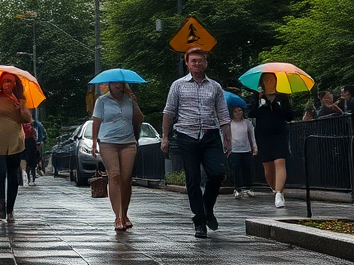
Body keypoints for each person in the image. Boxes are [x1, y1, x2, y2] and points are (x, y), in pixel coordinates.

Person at [161, 47, 231, 239]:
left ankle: (208, 209)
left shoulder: (215, 87)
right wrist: (165, 137)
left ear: (206, 63)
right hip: (186, 135)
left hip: (210, 134)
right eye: (193, 61)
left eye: (200, 60)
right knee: (192, 178)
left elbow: (223, 114)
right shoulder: (178, 85)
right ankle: (199, 221)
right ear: (187, 63)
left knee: (217, 173)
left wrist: (228, 138)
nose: (197, 64)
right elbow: (169, 112)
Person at [92, 80, 144, 231]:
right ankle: (118, 217)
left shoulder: (129, 100)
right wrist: (94, 142)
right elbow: (96, 121)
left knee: (126, 178)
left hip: (128, 142)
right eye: (114, 83)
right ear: (109, 85)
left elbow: (139, 118)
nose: (117, 86)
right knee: (114, 175)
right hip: (108, 142)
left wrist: (134, 102)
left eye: (120, 83)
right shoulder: (102, 101)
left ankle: (125, 214)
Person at [0, 72, 30, 222]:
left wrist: (20, 108)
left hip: (15, 141)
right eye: (4, 81)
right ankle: (1, 203)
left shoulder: (20, 99)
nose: (7, 84)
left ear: (15, 84)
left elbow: (27, 119)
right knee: (0, 172)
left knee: (13, 175)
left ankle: (10, 209)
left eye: (10, 81)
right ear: (0, 83)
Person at [250, 72, 293, 208]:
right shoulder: (257, 97)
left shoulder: (282, 98)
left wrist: (274, 104)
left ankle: (279, 193)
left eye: (272, 79)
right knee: (268, 167)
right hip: (264, 135)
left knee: (280, 161)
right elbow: (251, 113)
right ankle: (275, 189)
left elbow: (289, 115)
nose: (269, 82)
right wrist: (259, 99)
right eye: (266, 80)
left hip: (279, 133)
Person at [227, 105, 258, 199]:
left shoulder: (247, 123)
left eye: (240, 110)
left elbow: (252, 135)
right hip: (234, 150)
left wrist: (255, 148)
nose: (238, 113)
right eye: (235, 111)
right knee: (237, 169)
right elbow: (224, 137)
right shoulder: (229, 124)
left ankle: (248, 187)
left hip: (246, 149)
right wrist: (226, 149)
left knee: (247, 169)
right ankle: (237, 188)